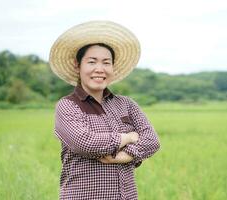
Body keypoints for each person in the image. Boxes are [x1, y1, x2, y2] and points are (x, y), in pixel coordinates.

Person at [49, 21, 160, 200]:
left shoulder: (127, 104)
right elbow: (84, 143)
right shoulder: (68, 105)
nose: (99, 69)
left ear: (113, 68)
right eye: (92, 62)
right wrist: (128, 137)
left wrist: (124, 156)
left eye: (106, 63)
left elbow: (152, 141)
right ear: (78, 66)